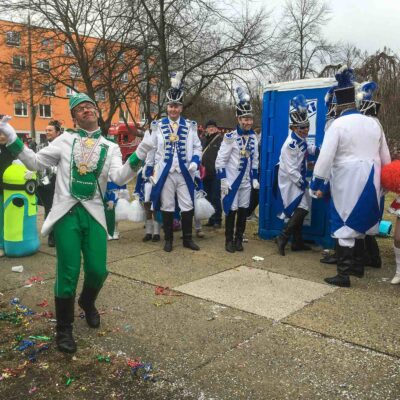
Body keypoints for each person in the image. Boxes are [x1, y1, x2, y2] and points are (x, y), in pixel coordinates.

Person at [0, 93, 151, 353]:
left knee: (97, 270)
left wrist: (143, 150)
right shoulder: (64, 140)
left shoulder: (110, 147)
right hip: (67, 214)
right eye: (80, 109)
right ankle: (64, 328)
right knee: (68, 271)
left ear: (97, 112)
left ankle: (87, 302)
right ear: (74, 117)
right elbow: (35, 163)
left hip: (94, 214)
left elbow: (119, 177)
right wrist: (11, 136)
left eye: (90, 106)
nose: (86, 110)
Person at [310, 66, 391, 287]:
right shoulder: (374, 123)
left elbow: (325, 157)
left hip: (346, 178)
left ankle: (343, 274)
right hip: (372, 177)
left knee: (344, 221)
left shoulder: (337, 124)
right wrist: (386, 181)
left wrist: (316, 182)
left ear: (337, 105)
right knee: (361, 221)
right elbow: (385, 155)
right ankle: (357, 267)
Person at [147, 72, 202, 252]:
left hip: (185, 171)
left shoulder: (191, 126)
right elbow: (152, 149)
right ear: (167, 107)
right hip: (165, 172)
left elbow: (197, 147)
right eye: (171, 106)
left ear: (181, 108)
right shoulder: (157, 126)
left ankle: (187, 239)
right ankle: (168, 240)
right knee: (167, 205)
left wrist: (195, 161)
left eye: (176, 106)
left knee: (188, 204)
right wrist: (149, 169)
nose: (173, 110)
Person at [215, 86, 259, 253]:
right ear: (238, 119)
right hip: (231, 183)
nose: (248, 122)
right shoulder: (230, 137)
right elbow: (220, 161)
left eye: (250, 119)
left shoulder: (254, 137)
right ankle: (229, 240)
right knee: (231, 211)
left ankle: (239, 239)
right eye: (245, 119)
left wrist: (255, 178)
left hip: (246, 182)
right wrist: (223, 180)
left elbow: (255, 160)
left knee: (243, 211)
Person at [275, 95, 318, 256]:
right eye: (302, 128)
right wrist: (304, 184)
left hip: (296, 178)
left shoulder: (301, 139)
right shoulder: (290, 145)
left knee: (299, 210)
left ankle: (297, 242)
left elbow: (308, 148)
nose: (306, 130)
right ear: (294, 128)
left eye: (307, 126)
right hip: (290, 180)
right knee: (303, 208)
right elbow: (292, 170)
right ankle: (283, 237)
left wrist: (322, 150)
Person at [36, 120, 62, 247]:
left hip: (61, 182)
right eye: (46, 130)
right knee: (50, 209)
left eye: (50, 130)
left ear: (58, 132)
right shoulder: (41, 146)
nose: (47, 132)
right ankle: (52, 237)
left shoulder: (63, 146)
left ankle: (61, 234)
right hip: (46, 184)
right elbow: (38, 164)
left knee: (61, 209)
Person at [201, 120, 223, 228]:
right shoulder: (203, 139)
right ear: (206, 129)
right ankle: (211, 218)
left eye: (213, 126)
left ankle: (217, 219)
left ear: (216, 128)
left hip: (215, 173)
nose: (211, 128)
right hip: (205, 173)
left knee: (215, 197)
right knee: (208, 197)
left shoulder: (220, 139)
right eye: (209, 127)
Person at [0, 128, 15, 257]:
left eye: (3, 134)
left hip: (12, 189)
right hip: (1, 189)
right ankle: (1, 244)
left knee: (9, 218)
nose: (1, 136)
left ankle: (7, 243)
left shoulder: (13, 149)